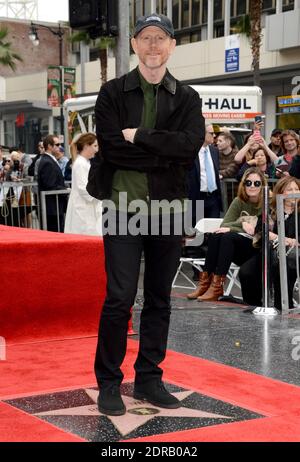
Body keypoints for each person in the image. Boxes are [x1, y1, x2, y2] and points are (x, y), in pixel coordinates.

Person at [93, 13, 204, 416]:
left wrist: (138, 135)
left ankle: (149, 379)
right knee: (119, 298)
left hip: (169, 210)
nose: (153, 45)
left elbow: (190, 148)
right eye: (146, 38)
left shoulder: (188, 97)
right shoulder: (112, 93)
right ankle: (108, 382)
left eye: (161, 38)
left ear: (172, 45)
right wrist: (164, 153)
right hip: (123, 207)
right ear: (135, 45)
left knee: (160, 299)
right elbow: (110, 148)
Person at [187, 167, 267, 301]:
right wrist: (241, 224)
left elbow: (256, 230)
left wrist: (234, 228)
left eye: (256, 183)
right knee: (216, 235)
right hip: (238, 246)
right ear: (243, 184)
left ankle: (217, 286)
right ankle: (206, 284)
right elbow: (225, 225)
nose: (252, 186)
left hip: (257, 248)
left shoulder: (266, 202)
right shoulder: (239, 201)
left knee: (228, 237)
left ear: (262, 185)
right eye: (248, 183)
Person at [239, 176, 300, 310]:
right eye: (289, 189)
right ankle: (255, 305)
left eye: (297, 189)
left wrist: (288, 241)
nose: (294, 192)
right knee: (245, 272)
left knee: (283, 264)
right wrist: (281, 239)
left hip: (293, 255)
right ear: (280, 192)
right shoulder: (271, 210)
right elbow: (260, 231)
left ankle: (282, 304)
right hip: (268, 252)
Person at [64, 133, 101, 236]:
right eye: (94, 146)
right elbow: (83, 188)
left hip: (86, 206)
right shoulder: (80, 164)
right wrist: (99, 196)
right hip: (83, 207)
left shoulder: (84, 162)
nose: (96, 150)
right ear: (86, 146)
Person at [37, 135, 67, 232]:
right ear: (49, 146)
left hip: (54, 208)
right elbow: (50, 185)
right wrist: (65, 190)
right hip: (52, 209)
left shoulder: (50, 160)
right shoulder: (47, 162)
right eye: (57, 144)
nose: (60, 147)